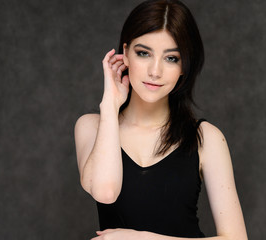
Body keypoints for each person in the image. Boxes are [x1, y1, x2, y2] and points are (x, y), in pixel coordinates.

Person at [74, 0, 248, 239]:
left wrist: (144, 238)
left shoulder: (205, 138)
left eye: (171, 58)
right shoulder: (92, 126)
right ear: (125, 54)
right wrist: (110, 105)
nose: (155, 71)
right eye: (143, 53)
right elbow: (105, 192)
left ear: (184, 66)